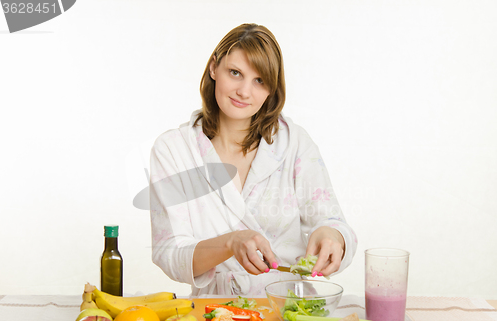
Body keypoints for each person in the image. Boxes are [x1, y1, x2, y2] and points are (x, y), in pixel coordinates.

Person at [150, 23, 357, 296]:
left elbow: (334, 221)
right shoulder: (173, 150)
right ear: (214, 68)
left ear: (272, 89)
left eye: (259, 80)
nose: (244, 92)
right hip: (215, 314)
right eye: (235, 73)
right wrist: (229, 243)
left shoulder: (294, 143)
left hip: (290, 311)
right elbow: (170, 253)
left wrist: (333, 236)